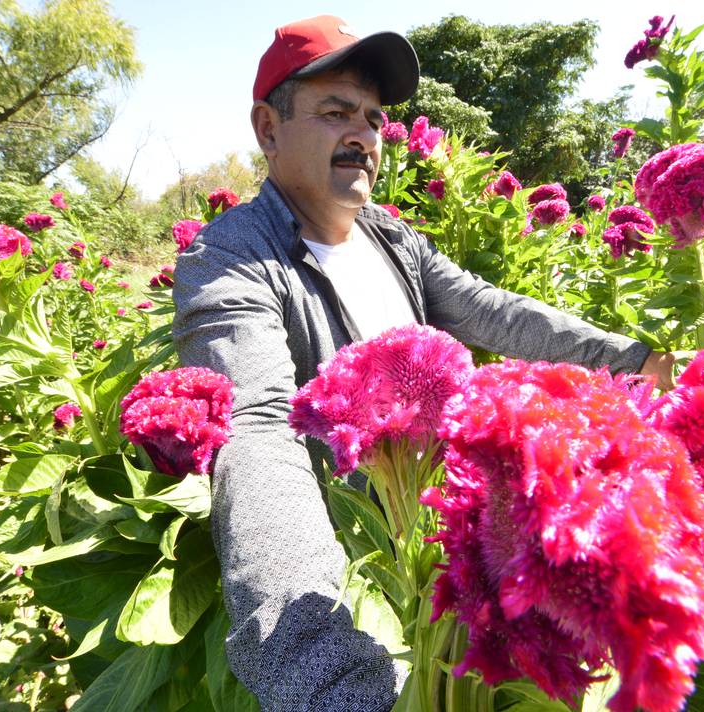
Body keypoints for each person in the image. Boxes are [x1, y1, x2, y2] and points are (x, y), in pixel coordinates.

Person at [172, 15, 677, 712]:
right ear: (268, 129)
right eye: (335, 112)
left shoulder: (389, 237)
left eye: (374, 120)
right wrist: (326, 676)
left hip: (445, 537)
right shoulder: (229, 263)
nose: (364, 137)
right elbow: (258, 434)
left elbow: (489, 310)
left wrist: (629, 358)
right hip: (358, 564)